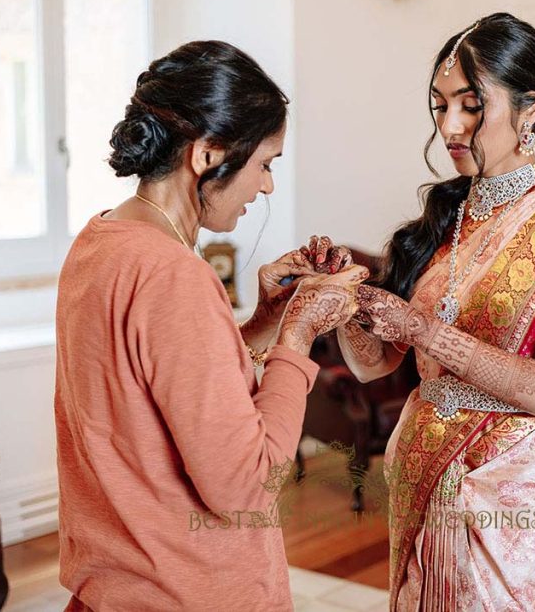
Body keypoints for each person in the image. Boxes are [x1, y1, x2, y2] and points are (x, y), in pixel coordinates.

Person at [336, 13, 535, 611]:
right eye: (439, 105)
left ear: (531, 107)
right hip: (423, 474)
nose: (451, 126)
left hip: (519, 497)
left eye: (472, 105)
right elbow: (375, 367)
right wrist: (347, 298)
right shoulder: (442, 219)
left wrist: (427, 331)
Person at [54, 40, 367, 611]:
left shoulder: (100, 242)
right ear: (208, 154)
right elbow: (245, 484)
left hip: (119, 588)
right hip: (187, 590)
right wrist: (299, 337)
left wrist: (265, 325)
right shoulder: (175, 275)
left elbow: (161, 393)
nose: (267, 185)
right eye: (265, 163)